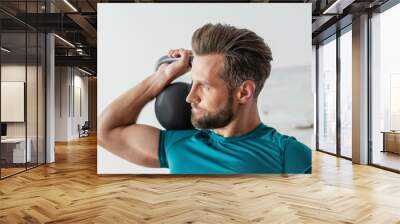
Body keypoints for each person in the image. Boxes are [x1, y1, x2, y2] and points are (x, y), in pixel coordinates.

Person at [98, 23, 312, 174]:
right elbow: (105, 131)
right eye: (193, 83)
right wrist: (161, 77)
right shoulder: (179, 144)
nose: (190, 97)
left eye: (205, 86)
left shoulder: (288, 154)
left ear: (244, 92)